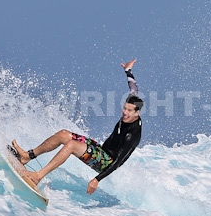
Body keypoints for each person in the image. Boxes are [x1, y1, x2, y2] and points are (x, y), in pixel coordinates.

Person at [10, 59, 143, 195]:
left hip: (106, 162)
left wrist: (97, 179)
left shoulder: (132, 135)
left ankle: (38, 176)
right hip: (101, 150)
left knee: (72, 145)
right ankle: (27, 156)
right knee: (63, 134)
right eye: (124, 108)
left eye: (129, 111)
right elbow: (134, 88)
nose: (125, 113)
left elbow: (117, 163)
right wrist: (128, 70)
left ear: (137, 113)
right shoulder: (133, 104)